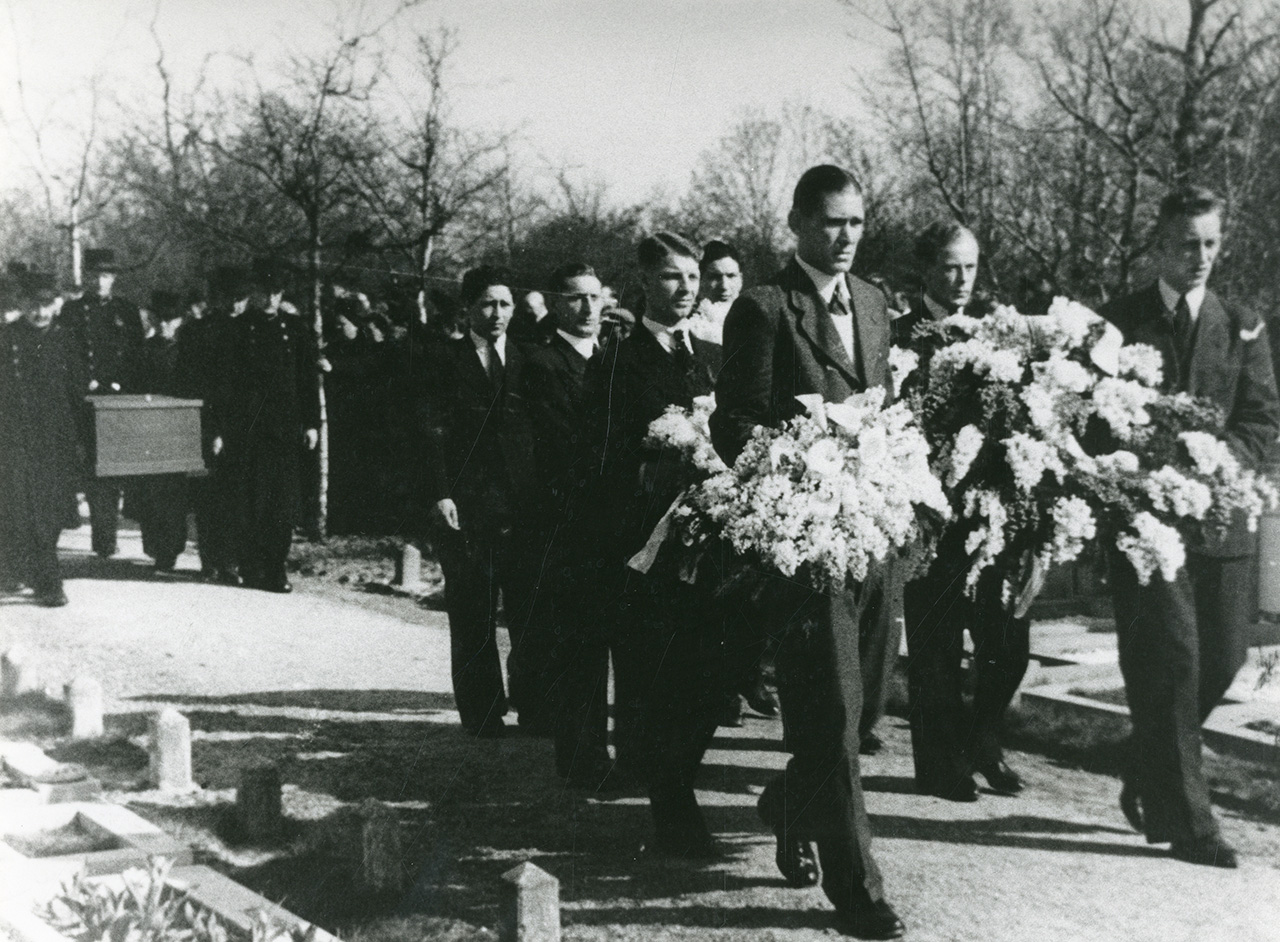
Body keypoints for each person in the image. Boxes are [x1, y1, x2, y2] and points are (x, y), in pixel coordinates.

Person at [710, 165, 904, 940]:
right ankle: (859, 892)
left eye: (856, 221)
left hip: (873, 533)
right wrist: (800, 467)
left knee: (862, 713)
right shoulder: (764, 308)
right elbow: (736, 423)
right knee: (828, 710)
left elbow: (883, 405)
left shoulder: (875, 303)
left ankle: (792, 802)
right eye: (830, 222)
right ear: (795, 224)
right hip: (809, 536)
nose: (846, 236)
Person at [1101, 186, 1280, 868]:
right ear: (1158, 247)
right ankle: (1191, 825)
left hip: (1223, 524)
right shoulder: (1117, 322)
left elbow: (1261, 418)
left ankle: (1149, 758)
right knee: (1172, 664)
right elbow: (1093, 416)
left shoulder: (1241, 321)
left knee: (1224, 658)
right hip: (1147, 529)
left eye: (1209, 242)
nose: (1199, 256)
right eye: (1185, 243)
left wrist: (1213, 463)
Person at [576, 232, 728, 845]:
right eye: (670, 278)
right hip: (646, 545)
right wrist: (653, 468)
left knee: (710, 676)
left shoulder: (713, 355)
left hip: (711, 540)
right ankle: (673, 808)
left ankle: (673, 781)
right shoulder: (616, 359)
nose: (686, 289)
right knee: (656, 677)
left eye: (692, 277)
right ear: (643, 284)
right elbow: (596, 452)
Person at [895, 222, 1028, 802]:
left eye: (970, 267)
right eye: (950, 266)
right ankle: (939, 763)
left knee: (1009, 645)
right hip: (932, 512)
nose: (961, 279)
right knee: (937, 646)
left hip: (992, 512)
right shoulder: (899, 335)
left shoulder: (997, 334)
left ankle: (982, 742)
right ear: (926, 268)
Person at [419, 266, 535, 738]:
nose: (498, 313)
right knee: (473, 610)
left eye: (506, 304)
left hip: (522, 502)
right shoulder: (442, 361)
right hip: (466, 504)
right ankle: (483, 712)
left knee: (528, 607)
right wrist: (440, 492)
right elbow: (429, 433)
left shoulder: (530, 360)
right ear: (468, 308)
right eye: (488, 304)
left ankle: (533, 703)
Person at [513, 262, 605, 737]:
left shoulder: (614, 358)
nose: (588, 307)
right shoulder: (538, 362)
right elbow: (530, 444)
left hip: (604, 511)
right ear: (553, 304)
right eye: (575, 297)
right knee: (548, 615)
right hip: (555, 509)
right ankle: (539, 708)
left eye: (594, 296)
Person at [207, 266, 320, 593]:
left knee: (281, 504)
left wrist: (311, 423)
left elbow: (307, 381)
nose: (270, 298)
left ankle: (276, 567)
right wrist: (217, 429)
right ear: (254, 291)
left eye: (276, 292)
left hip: (283, 430)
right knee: (249, 502)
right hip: (246, 430)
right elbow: (222, 384)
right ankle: (251, 565)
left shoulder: (295, 329)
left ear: (282, 294)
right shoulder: (237, 330)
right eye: (264, 290)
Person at [0, 279, 83, 606]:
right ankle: (43, 580)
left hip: (54, 439)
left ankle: (34, 574)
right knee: (18, 508)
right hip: (13, 437)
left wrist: (82, 439)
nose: (40, 312)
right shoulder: (7, 338)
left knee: (48, 511)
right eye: (33, 305)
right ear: (23, 303)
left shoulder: (65, 339)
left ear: (57, 304)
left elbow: (76, 392)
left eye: (47, 304)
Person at [60, 248, 146, 558]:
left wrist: (123, 384)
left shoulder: (127, 311)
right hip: (84, 401)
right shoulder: (71, 311)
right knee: (90, 469)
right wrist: (86, 383)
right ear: (87, 277)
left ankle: (108, 536)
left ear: (114, 279)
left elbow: (138, 355)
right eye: (95, 275)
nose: (100, 282)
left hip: (118, 401)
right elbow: (65, 353)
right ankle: (97, 534)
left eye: (106, 276)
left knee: (112, 470)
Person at [134, 290, 191, 572]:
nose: (167, 325)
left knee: (173, 493)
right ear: (155, 320)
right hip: (148, 430)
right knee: (150, 493)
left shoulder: (188, 350)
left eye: (173, 320)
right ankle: (155, 546)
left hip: (178, 431)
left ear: (180, 321)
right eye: (162, 319)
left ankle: (169, 552)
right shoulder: (143, 350)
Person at [688, 239, 743, 345]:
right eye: (715, 277)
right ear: (700, 280)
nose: (724, 286)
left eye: (731, 276)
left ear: (741, 279)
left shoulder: (755, 322)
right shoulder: (690, 326)